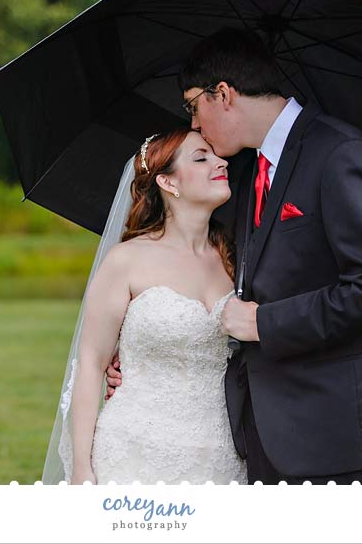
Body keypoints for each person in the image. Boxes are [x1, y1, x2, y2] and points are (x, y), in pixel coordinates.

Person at [106, 27, 362, 485]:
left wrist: (266, 323)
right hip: (258, 434)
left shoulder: (339, 153)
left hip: (335, 433)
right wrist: (142, 358)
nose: (195, 125)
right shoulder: (243, 172)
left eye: (192, 106)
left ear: (222, 94)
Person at [41, 126, 247, 485]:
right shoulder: (127, 260)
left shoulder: (236, 259)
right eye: (202, 158)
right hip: (135, 450)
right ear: (168, 183)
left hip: (220, 454)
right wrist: (81, 468)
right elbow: (90, 364)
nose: (220, 162)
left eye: (216, 154)